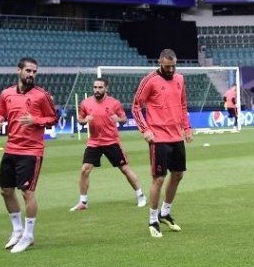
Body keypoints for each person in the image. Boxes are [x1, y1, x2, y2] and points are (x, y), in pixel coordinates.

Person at [0, 57, 58, 253]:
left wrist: (35, 120)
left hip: (31, 151)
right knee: (5, 190)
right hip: (11, 148)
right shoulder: (6, 93)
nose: (31, 75)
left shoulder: (41, 95)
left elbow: (54, 119)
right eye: (28, 71)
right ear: (18, 70)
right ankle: (17, 230)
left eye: (34, 72)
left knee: (27, 192)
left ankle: (29, 235)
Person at [132, 49, 192, 238]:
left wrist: (187, 128)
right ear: (159, 62)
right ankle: (152, 219)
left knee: (178, 174)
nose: (171, 69)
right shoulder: (149, 80)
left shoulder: (180, 79)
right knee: (158, 178)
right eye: (167, 66)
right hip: (158, 137)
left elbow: (183, 105)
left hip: (176, 136)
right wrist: (145, 129)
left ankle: (165, 212)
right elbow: (135, 106)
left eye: (174, 65)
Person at [70, 77, 146, 211]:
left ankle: (140, 195)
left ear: (106, 88)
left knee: (125, 169)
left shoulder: (114, 103)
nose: (97, 90)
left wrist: (118, 119)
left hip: (112, 141)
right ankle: (83, 202)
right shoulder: (85, 103)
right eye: (95, 87)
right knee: (84, 170)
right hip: (94, 142)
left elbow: (124, 118)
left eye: (100, 87)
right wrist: (84, 120)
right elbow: (80, 119)